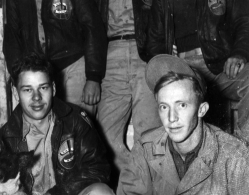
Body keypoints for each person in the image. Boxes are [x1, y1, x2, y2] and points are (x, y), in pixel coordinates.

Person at [117, 54, 249, 195]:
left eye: (182, 105)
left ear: (201, 110)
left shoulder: (233, 155)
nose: (171, 118)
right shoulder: (145, 149)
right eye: (164, 107)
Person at [0, 54, 114, 195]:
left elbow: (98, 169)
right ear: (16, 93)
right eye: (28, 90)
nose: (36, 97)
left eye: (43, 88)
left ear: (53, 88)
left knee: (100, 192)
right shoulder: (4, 138)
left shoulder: (75, 121)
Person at [147, 0, 249, 141]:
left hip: (220, 63)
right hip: (183, 67)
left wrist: (240, 52)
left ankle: (242, 151)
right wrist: (166, 53)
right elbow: (153, 42)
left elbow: (244, 21)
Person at [3, 0, 107, 117]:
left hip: (73, 64)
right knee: (45, 129)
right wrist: (18, 78)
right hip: (38, 70)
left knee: (79, 126)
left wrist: (93, 77)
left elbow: (92, 25)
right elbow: (11, 37)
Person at [96, 0, 162, 178]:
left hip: (146, 50)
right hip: (111, 51)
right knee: (104, 136)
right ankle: (133, 180)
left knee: (149, 132)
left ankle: (145, 184)